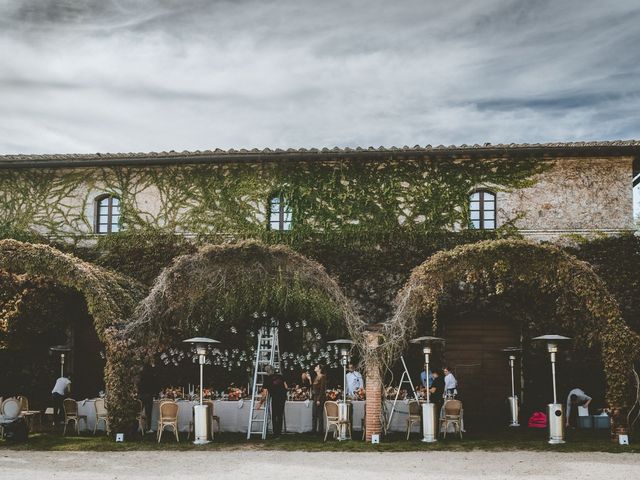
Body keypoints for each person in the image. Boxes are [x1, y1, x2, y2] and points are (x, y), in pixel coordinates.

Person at [258, 365, 288, 437]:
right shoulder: (280, 376)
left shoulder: (267, 379)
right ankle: (279, 433)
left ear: (267, 372)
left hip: (275, 397)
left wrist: (260, 403)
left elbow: (264, 394)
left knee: (274, 415)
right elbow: (286, 386)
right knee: (280, 415)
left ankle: (275, 433)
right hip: (282, 397)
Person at [311, 364, 327, 434]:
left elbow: (322, 389)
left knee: (320, 414)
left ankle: (320, 431)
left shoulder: (322, 377)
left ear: (320, 369)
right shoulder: (316, 377)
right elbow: (313, 387)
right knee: (314, 414)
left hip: (320, 397)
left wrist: (318, 399)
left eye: (316, 367)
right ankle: (314, 430)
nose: (315, 367)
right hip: (315, 396)